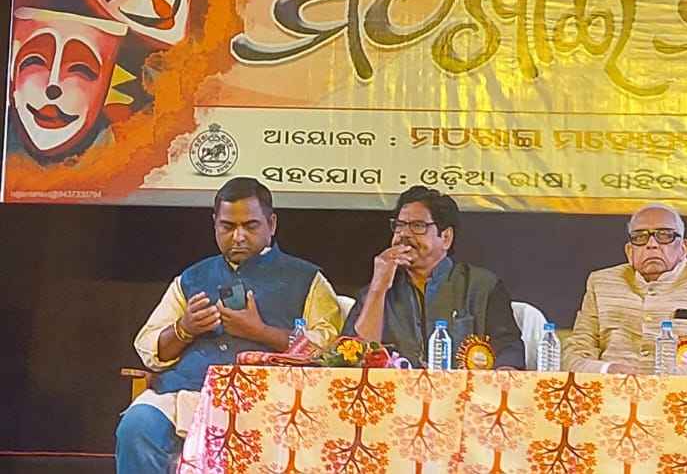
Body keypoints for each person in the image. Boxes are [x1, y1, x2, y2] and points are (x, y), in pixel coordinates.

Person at [115, 177, 343, 474]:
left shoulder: (306, 279)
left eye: (250, 226)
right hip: (189, 395)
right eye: (227, 226)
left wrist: (261, 333)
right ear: (214, 225)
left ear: (272, 224)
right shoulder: (192, 278)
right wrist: (185, 329)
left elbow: (330, 351)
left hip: (272, 402)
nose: (238, 237)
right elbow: (150, 348)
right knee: (136, 426)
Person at [343, 186, 523, 369]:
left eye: (418, 226)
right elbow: (352, 358)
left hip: (464, 387)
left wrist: (502, 376)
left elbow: (509, 350)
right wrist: (378, 289)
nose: (404, 234)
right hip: (394, 387)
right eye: (399, 225)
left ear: (445, 237)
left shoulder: (482, 287)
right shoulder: (375, 292)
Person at [563, 203, 687, 376]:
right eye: (640, 237)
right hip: (612, 393)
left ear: (683, 248)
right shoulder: (601, 282)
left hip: (683, 394)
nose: (652, 244)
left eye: (665, 235)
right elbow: (573, 356)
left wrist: (674, 376)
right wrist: (608, 369)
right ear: (629, 251)